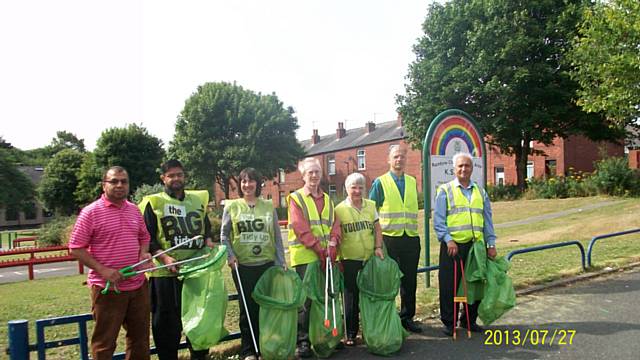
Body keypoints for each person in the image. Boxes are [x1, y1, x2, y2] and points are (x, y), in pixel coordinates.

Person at [69, 166, 151, 360]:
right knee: (104, 344)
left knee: (140, 340)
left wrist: (144, 254)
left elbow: (144, 237)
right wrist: (103, 270)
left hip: (138, 285)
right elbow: (75, 247)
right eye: (114, 181)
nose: (120, 185)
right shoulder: (91, 212)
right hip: (107, 288)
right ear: (103, 185)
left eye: (124, 181)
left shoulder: (134, 210)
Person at [141, 159, 215, 360]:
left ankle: (199, 356)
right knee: (166, 326)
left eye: (179, 175)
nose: (176, 179)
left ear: (185, 176)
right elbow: (147, 236)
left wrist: (208, 241)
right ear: (163, 178)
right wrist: (165, 258)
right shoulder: (153, 202)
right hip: (165, 274)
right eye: (171, 175)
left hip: (195, 272)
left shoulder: (197, 200)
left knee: (198, 320)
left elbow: (205, 228)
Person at [220, 167, 286, 360]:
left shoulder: (268, 206)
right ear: (240, 185)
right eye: (243, 181)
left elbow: (277, 237)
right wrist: (230, 256)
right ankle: (248, 350)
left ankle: (266, 347)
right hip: (243, 267)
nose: (247, 185)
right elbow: (224, 235)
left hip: (266, 265)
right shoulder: (231, 207)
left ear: (258, 183)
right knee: (246, 309)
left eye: (251, 181)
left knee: (266, 308)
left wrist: (280, 261)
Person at [433, 152, 497, 336]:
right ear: (454, 169)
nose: (463, 169)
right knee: (449, 286)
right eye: (460, 166)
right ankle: (449, 322)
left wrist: (490, 243)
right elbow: (438, 220)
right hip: (453, 246)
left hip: (475, 246)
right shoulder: (445, 190)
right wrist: (448, 240)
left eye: (467, 166)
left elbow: (487, 220)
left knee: (474, 284)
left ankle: (469, 320)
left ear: (472, 168)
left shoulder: (480, 192)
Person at [287, 157, 341, 358]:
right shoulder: (296, 198)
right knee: (306, 301)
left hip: (326, 255)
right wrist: (320, 250)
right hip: (305, 256)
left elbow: (335, 223)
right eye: (310, 172)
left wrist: (334, 242)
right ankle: (303, 342)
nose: (314, 176)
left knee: (326, 296)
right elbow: (300, 228)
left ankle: (325, 336)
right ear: (303, 176)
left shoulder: (327, 199)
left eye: (317, 172)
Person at [369, 144, 422, 333]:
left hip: (410, 238)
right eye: (395, 157)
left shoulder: (411, 181)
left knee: (410, 281)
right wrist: (376, 243)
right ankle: (388, 318)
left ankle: (407, 317)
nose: (399, 160)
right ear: (389, 160)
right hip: (389, 239)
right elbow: (371, 211)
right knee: (388, 281)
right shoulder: (380, 182)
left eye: (402, 156)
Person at [335, 172, 384, 346]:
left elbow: (377, 229)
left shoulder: (371, 205)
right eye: (353, 187)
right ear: (346, 189)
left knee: (371, 295)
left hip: (368, 258)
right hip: (349, 259)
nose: (357, 191)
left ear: (365, 189)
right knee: (351, 298)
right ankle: (350, 333)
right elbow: (336, 235)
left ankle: (371, 330)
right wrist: (338, 257)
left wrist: (378, 248)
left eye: (360, 187)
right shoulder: (339, 210)